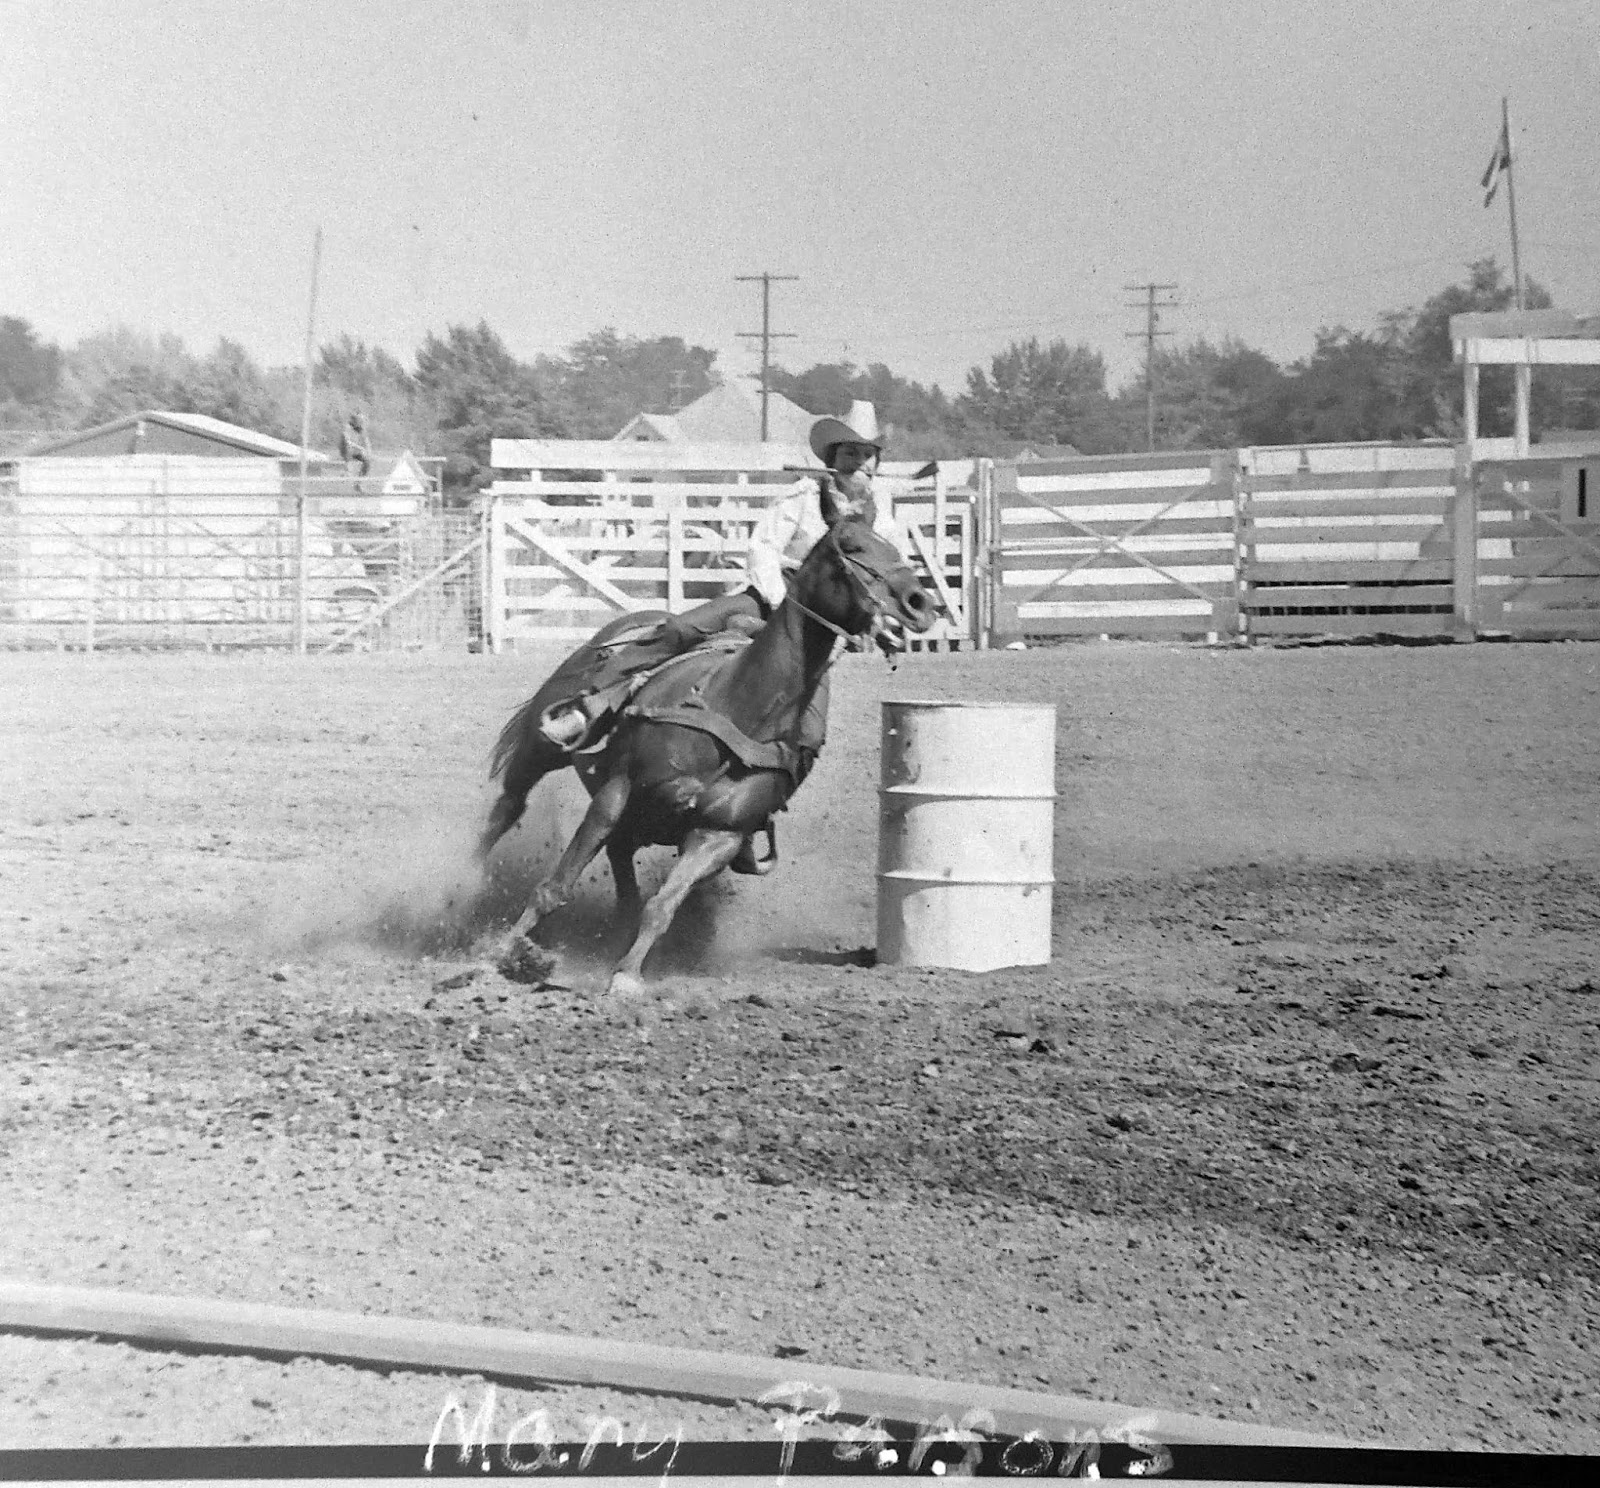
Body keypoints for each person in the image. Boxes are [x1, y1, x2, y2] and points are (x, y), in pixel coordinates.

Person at [538, 401, 911, 872]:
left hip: (817, 636)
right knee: (679, 629)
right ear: (832, 458)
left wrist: (880, 625)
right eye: (851, 453)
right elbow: (762, 549)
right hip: (766, 600)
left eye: (867, 455)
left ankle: (752, 814)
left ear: (877, 463)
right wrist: (782, 604)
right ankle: (592, 704)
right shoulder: (801, 499)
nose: (860, 464)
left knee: (810, 736)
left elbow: (885, 584)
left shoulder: (884, 522)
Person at [339, 413, 372, 478]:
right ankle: (347, 472)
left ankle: (361, 478)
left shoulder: (360, 429)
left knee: (367, 461)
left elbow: (366, 441)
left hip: (355, 452)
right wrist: (360, 448)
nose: (362, 424)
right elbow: (348, 442)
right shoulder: (347, 428)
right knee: (349, 453)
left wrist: (368, 452)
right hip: (347, 451)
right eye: (360, 421)